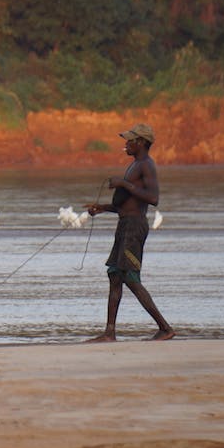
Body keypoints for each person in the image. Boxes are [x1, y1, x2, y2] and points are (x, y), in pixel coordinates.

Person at [85, 123, 175, 342]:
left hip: (135, 227)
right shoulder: (134, 165)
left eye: (130, 140)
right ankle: (109, 333)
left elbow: (153, 199)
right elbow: (126, 205)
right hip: (125, 225)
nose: (125, 144)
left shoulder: (146, 165)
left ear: (141, 143)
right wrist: (102, 208)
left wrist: (123, 183)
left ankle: (165, 328)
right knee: (115, 274)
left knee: (130, 277)